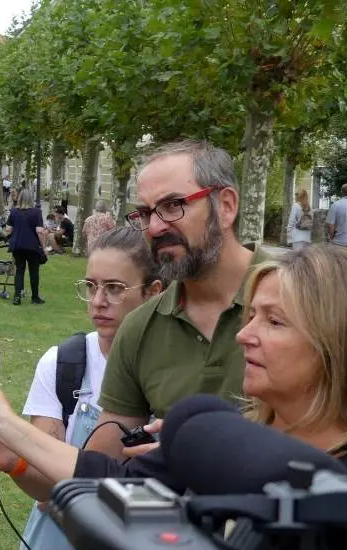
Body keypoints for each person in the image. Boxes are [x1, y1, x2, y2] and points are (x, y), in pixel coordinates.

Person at [0, 244, 347, 550]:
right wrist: (6, 428)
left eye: (274, 322)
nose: (245, 336)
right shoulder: (224, 435)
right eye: (249, 316)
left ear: (337, 342)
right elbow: (113, 482)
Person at [88, 140, 268, 460]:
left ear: (225, 206)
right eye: (145, 213)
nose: (155, 227)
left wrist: (199, 453)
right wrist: (16, 452)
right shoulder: (140, 328)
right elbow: (98, 467)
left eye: (173, 205)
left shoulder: (307, 297)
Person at [17, 227, 162, 550]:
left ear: (153, 293)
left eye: (114, 288)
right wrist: (14, 458)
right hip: (56, 549)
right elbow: (45, 484)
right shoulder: (63, 364)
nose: (98, 302)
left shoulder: (171, 379)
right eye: (91, 286)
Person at [5, 195, 47, 306]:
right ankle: (35, 297)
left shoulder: (14, 211)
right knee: (34, 271)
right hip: (32, 246)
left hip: (17, 245)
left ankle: (17, 297)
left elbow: (8, 229)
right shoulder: (36, 212)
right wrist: (43, 247)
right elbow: (39, 231)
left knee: (19, 271)